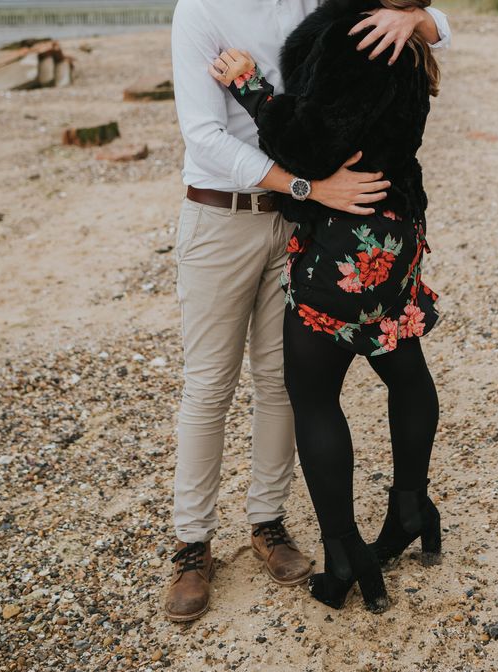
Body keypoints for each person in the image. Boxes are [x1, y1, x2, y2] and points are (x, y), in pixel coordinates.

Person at [167, 0, 450, 622]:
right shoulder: (199, 11)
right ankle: (193, 544)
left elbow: (419, 20)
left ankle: (269, 524)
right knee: (209, 384)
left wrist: (421, 20)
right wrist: (306, 186)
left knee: (284, 385)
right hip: (230, 215)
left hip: (309, 225)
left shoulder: (318, 3)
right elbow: (204, 137)